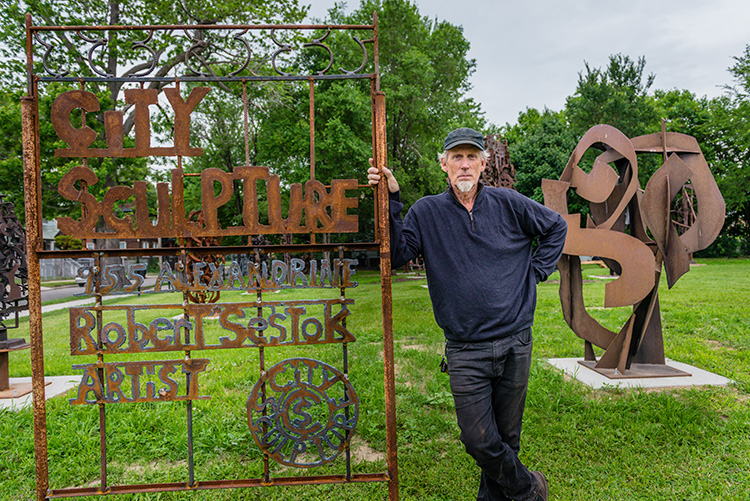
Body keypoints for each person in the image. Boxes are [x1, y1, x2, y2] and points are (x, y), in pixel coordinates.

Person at [367, 127, 567, 501]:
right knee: (478, 440)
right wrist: (391, 198)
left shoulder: (510, 203)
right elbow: (397, 254)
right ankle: (530, 490)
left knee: (507, 439)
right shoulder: (426, 212)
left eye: (471, 157)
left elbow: (556, 227)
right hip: (465, 349)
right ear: (444, 164)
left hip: (516, 341)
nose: (464, 164)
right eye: (456, 157)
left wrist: (536, 271)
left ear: (483, 164)